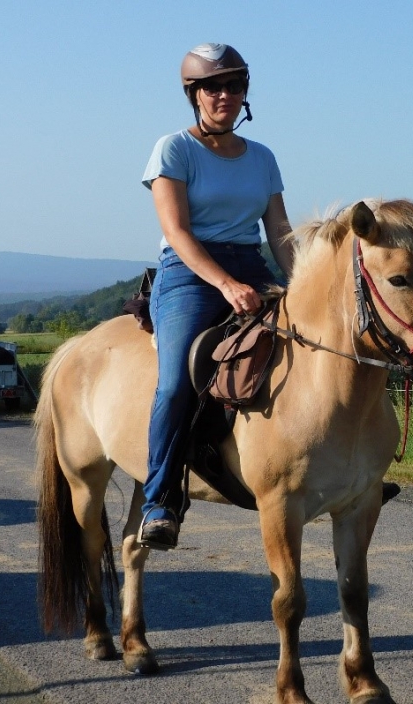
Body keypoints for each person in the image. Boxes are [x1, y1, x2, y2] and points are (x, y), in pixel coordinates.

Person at [138, 42, 294, 550]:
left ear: (245, 92)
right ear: (194, 95)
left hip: (251, 263)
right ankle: (160, 501)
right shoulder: (174, 149)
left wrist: (302, 284)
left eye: (234, 85)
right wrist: (225, 284)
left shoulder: (263, 157)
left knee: (319, 343)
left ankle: (346, 470)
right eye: (212, 87)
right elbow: (178, 232)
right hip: (188, 271)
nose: (224, 95)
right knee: (176, 381)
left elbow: (279, 232)